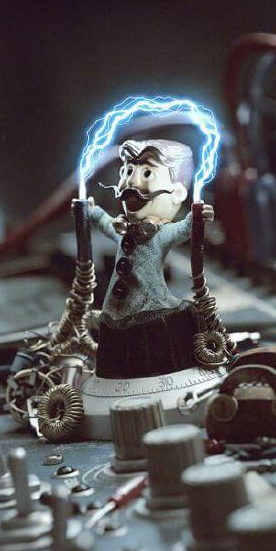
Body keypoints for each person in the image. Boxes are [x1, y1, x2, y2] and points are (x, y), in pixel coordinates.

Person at [88, 138, 214, 379]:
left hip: (152, 312)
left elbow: (184, 228)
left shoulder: (160, 235)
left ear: (177, 193)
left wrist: (196, 218)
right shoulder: (122, 230)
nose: (132, 182)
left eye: (147, 173)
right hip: (114, 313)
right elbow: (104, 222)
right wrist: (92, 211)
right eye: (128, 171)